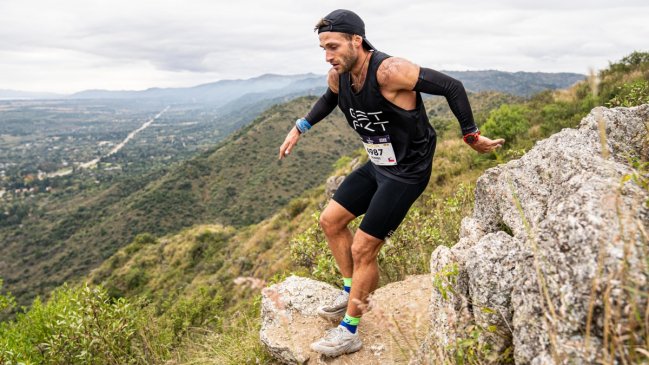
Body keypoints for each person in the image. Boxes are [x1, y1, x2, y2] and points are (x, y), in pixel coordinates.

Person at [278, 9, 505, 357]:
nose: (328, 55)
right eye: (323, 48)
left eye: (334, 46)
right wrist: (300, 127)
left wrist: (470, 135)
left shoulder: (389, 71)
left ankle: (350, 330)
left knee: (364, 248)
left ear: (357, 40)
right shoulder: (338, 77)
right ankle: (350, 289)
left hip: (407, 171)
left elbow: (450, 86)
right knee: (330, 221)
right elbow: (329, 100)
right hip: (378, 163)